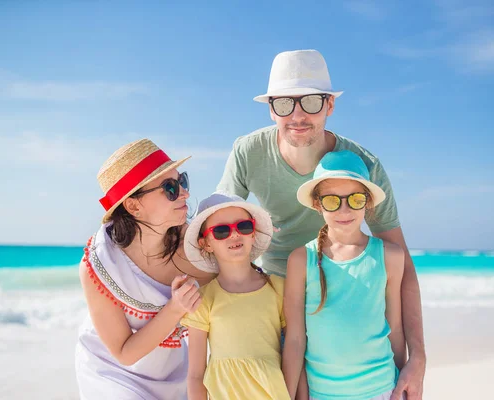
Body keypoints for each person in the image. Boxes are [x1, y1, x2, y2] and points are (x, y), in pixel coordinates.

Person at [217, 49, 425, 399]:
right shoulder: (247, 151)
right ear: (271, 108)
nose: (297, 115)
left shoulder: (363, 165)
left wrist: (416, 359)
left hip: (339, 292)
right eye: (284, 104)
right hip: (273, 290)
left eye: (310, 102)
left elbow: (401, 266)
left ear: (329, 105)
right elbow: (215, 225)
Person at [75, 138, 215, 400]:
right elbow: (124, 353)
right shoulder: (100, 264)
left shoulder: (200, 246)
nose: (184, 193)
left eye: (182, 181)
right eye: (170, 188)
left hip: (173, 370)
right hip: (112, 372)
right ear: (134, 205)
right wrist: (175, 308)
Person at [283, 150, 406, 400]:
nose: (344, 209)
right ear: (318, 204)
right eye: (332, 201)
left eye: (355, 199)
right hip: (322, 394)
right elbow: (295, 339)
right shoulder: (300, 260)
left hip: (381, 390)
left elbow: (395, 330)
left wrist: (403, 383)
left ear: (368, 202)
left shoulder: (390, 256)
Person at [180, 192, 289, 400]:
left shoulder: (278, 288)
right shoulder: (203, 299)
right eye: (221, 231)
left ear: (253, 232)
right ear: (206, 244)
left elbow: (295, 349)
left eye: (243, 226)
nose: (234, 235)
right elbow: (195, 375)